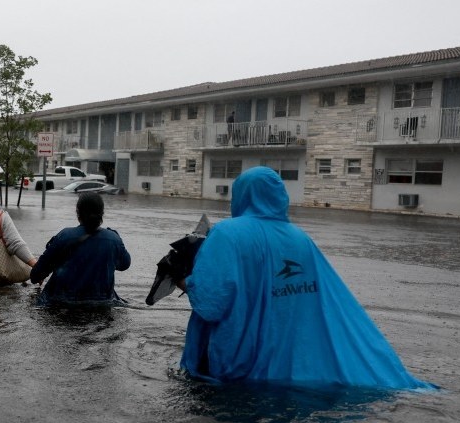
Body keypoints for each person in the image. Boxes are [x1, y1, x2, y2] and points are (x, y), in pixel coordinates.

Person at [180, 166, 435, 390]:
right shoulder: (300, 238)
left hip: (233, 363)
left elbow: (211, 304)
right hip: (288, 364)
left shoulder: (226, 233)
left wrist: (183, 279)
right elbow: (320, 301)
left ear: (241, 195)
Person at [30, 193, 131, 305]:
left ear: (78, 213)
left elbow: (35, 276)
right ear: (102, 214)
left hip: (60, 304)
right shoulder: (114, 239)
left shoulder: (64, 236)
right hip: (102, 304)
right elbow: (125, 264)